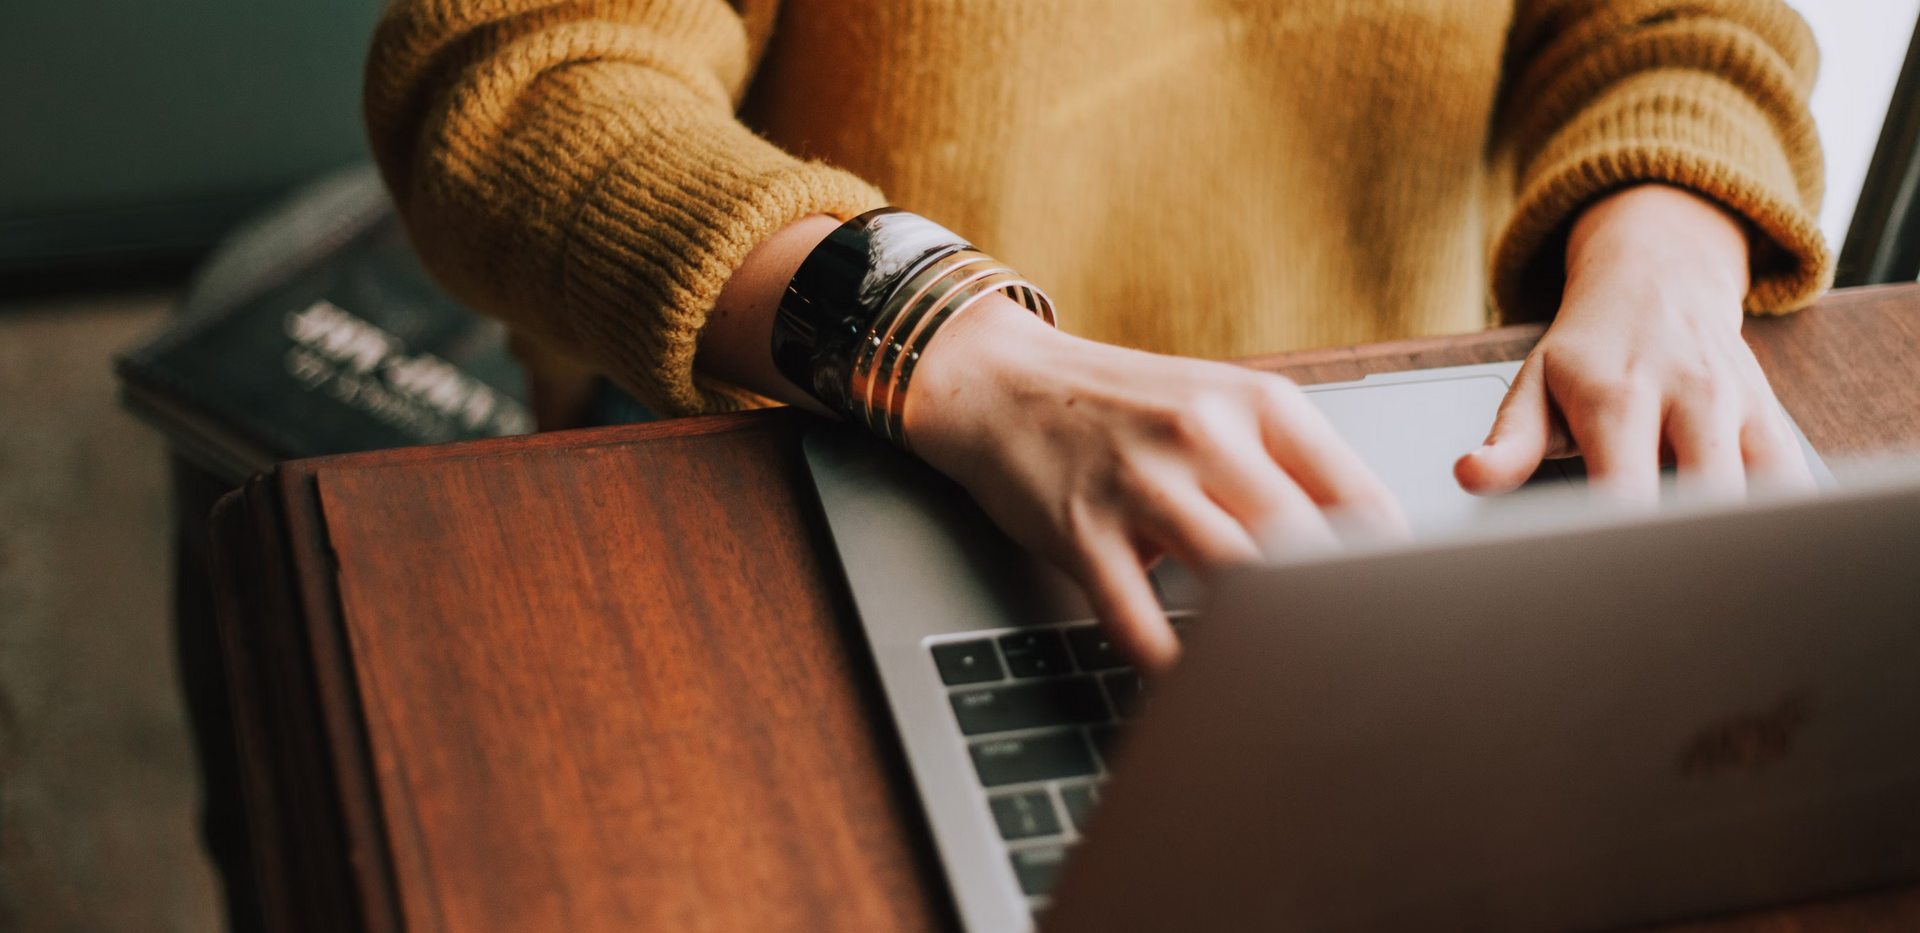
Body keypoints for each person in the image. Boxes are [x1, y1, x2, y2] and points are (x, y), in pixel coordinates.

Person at [365, 0, 1829, 672]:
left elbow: (1683, 20)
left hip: (1397, 487)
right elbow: (516, 74)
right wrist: (954, 344)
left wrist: (1667, 243)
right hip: (845, 448)